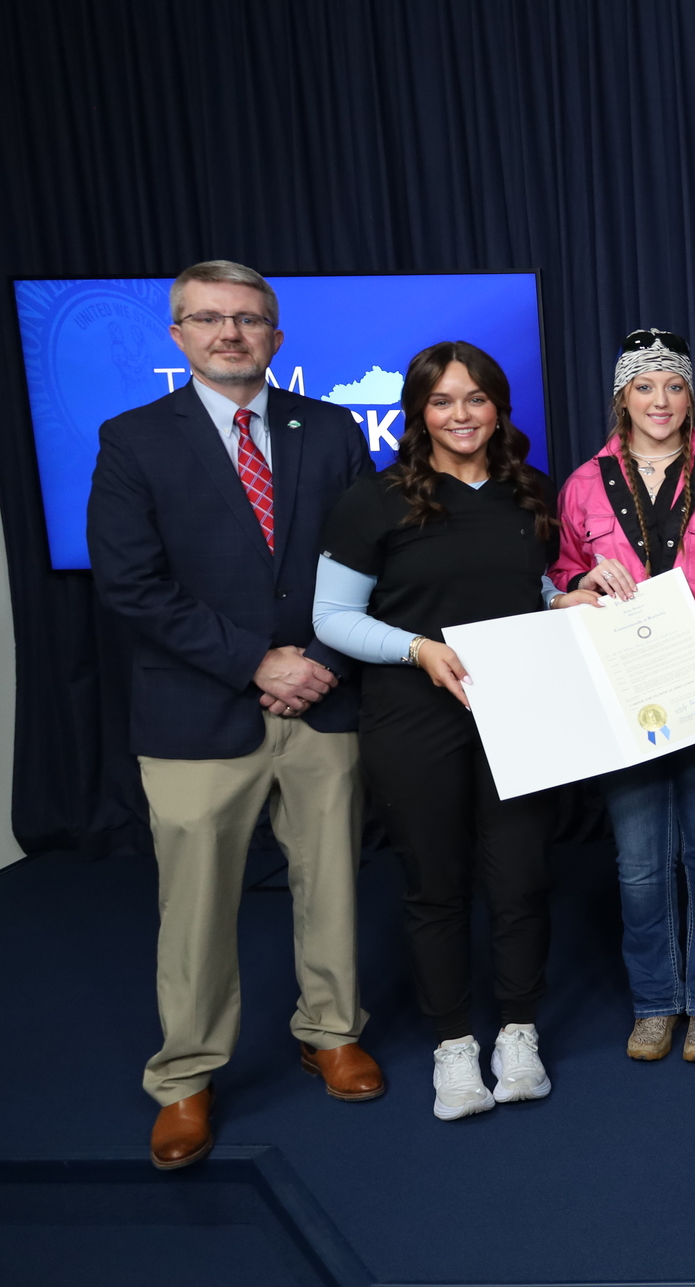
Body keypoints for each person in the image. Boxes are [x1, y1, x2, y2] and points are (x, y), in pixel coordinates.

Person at [88, 260, 381, 1171]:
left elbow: (369, 562)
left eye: (249, 319)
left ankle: (330, 1030)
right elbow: (130, 583)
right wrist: (254, 660)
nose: (230, 333)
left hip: (323, 703)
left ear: (277, 336)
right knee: (196, 905)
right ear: (177, 334)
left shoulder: (330, 430)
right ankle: (185, 1078)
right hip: (195, 713)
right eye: (208, 318)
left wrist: (320, 663)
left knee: (330, 880)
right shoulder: (133, 438)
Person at [312, 341, 563, 1122]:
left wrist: (568, 603)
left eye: (478, 399)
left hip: (515, 710)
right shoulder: (375, 499)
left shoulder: (529, 492)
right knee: (436, 885)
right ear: (419, 411)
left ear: (499, 408)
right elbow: (332, 618)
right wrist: (417, 648)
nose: (463, 415)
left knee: (520, 877)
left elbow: (533, 588)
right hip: (413, 716)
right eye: (445, 401)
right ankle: (454, 1044)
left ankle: (517, 1032)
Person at [550, 329, 695, 1066]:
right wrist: (574, 590)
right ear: (623, 395)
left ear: (691, 396)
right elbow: (561, 577)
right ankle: (656, 999)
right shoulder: (584, 484)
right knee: (638, 861)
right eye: (644, 385)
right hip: (625, 699)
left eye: (673, 385)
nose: (660, 400)